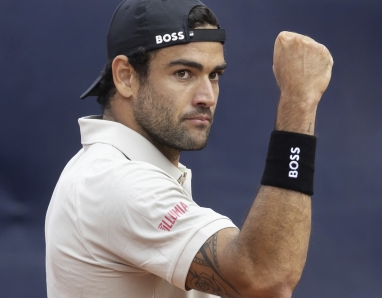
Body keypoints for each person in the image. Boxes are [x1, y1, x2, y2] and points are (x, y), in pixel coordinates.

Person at [45, 0, 333, 297]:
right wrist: (299, 102)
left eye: (214, 75)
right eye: (183, 73)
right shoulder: (114, 182)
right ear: (126, 77)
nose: (206, 96)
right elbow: (265, 279)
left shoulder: (112, 170)